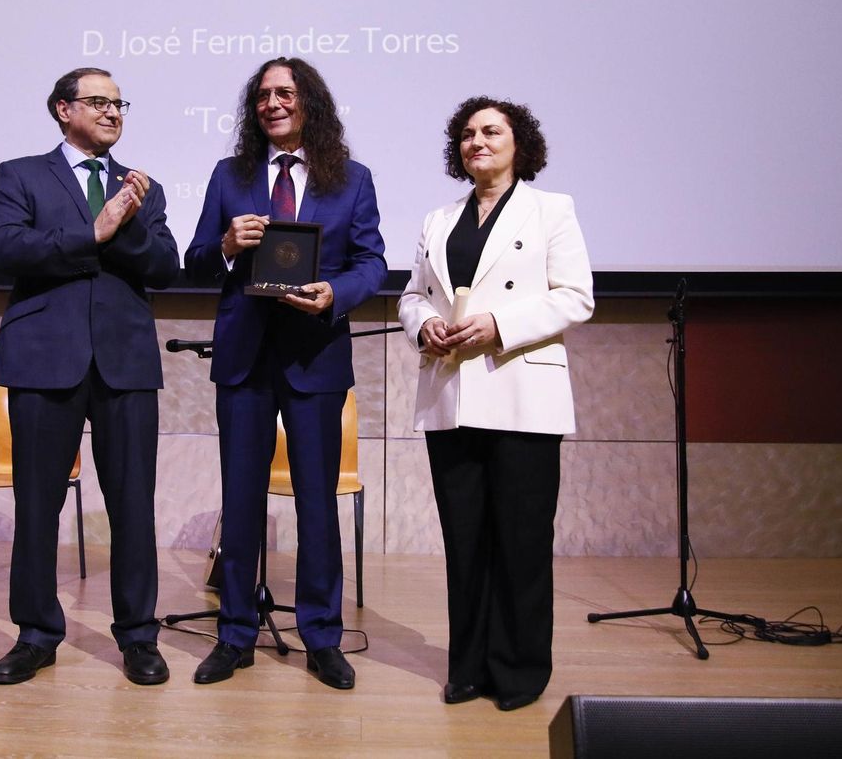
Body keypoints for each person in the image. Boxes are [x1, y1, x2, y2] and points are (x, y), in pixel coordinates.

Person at [184, 58, 386, 689]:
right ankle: (235, 634)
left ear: (309, 104)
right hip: (244, 359)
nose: (272, 103)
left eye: (286, 93)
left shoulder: (351, 179)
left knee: (317, 504)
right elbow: (194, 261)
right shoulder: (230, 175)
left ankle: (322, 637)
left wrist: (335, 294)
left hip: (315, 359)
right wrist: (225, 245)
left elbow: (372, 262)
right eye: (263, 95)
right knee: (240, 500)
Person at [396, 95, 594, 712]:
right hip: (451, 393)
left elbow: (576, 296)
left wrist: (499, 325)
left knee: (522, 540)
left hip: (521, 393)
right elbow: (411, 295)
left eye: (490, 131)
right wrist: (423, 325)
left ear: (519, 143)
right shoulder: (438, 219)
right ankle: (469, 667)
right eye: (466, 134)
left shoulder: (551, 210)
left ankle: (520, 670)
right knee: (466, 539)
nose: (476, 142)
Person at [0, 66, 179, 687]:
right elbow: (4, 248)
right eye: (98, 102)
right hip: (43, 356)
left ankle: (138, 636)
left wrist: (124, 224)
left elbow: (166, 266)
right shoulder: (21, 175)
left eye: (119, 104)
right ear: (63, 110)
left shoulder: (141, 187)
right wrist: (93, 230)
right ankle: (36, 635)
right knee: (37, 504)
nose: (113, 112)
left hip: (125, 360)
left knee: (132, 504)